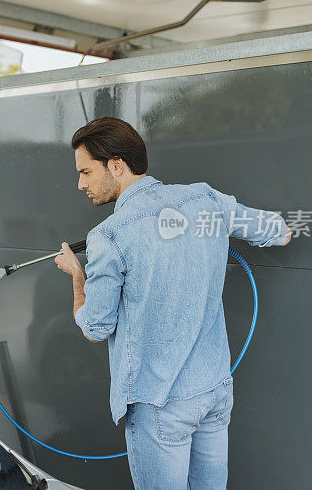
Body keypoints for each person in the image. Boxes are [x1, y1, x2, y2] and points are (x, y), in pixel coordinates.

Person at [54, 117, 291, 489]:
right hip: (213, 392)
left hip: (159, 404)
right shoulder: (206, 199)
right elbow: (280, 232)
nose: (81, 184)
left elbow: (95, 329)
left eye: (86, 172)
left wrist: (77, 275)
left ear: (116, 164)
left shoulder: (109, 236)